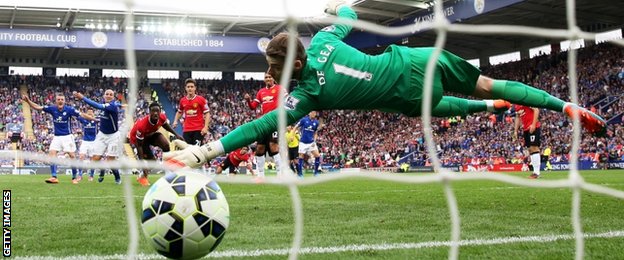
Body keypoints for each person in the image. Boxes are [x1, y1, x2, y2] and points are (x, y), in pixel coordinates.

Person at [163, 2, 606, 169]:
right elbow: (350, 18)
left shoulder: (303, 96)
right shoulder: (321, 40)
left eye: (272, 68)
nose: (270, 76)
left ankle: (490, 110)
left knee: (437, 107)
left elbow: (259, 129)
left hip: (406, 98)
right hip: (415, 61)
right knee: (489, 84)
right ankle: (559, 104)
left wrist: (204, 150)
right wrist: (339, 8)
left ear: (288, 66)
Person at [22, 93, 96, 184]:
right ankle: (54, 177)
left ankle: (74, 177)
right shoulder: (52, 109)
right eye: (58, 99)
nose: (60, 101)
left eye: (62, 99)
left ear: (64, 101)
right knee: (52, 154)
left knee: (72, 156)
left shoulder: (69, 110)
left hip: (67, 137)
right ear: (56, 101)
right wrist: (28, 101)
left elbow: (82, 115)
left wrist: (94, 119)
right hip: (56, 137)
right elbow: (38, 107)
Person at [73, 89, 123, 184]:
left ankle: (117, 177)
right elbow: (103, 106)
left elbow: (97, 106)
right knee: (95, 158)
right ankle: (102, 170)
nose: (108, 96)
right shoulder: (109, 105)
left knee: (110, 160)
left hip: (113, 136)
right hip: (102, 135)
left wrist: (83, 98)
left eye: (111, 94)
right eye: (107, 94)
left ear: (113, 97)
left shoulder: (111, 106)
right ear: (104, 96)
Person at [128, 102, 184, 186]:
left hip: (150, 135)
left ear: (160, 111)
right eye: (153, 111)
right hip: (139, 140)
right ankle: (142, 175)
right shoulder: (141, 126)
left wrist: (177, 135)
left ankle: (167, 171)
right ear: (149, 112)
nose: (155, 113)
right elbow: (139, 145)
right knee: (153, 163)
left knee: (166, 145)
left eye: (157, 111)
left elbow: (166, 126)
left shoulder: (162, 117)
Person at [244, 73, 283, 177]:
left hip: (274, 122)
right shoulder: (261, 92)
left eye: (270, 77)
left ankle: (280, 174)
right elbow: (253, 107)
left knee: (273, 146)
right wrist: (248, 100)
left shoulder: (280, 88)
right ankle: (261, 175)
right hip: (263, 122)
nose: (268, 79)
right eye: (266, 77)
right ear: (264, 80)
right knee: (260, 148)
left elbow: (288, 101)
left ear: (274, 78)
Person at [172, 78, 210, 146]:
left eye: (192, 87)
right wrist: (175, 121)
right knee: (187, 150)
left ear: (195, 88)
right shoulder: (182, 100)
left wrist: (206, 127)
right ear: (185, 88)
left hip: (198, 130)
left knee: (196, 150)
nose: (190, 88)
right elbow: (179, 112)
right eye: (188, 87)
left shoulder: (201, 99)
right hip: (187, 130)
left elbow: (207, 113)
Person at [513, 105, 541, 179]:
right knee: (530, 149)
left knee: (534, 147)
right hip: (525, 129)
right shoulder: (516, 105)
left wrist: (534, 124)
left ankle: (536, 172)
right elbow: (517, 117)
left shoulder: (526, 99)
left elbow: (536, 110)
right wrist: (515, 131)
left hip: (532, 126)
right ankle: (535, 172)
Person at [296, 111, 322, 177]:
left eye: (315, 113)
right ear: (309, 113)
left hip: (311, 143)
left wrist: (314, 141)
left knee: (317, 156)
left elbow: (315, 133)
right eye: (312, 113)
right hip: (303, 142)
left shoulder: (316, 122)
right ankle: (300, 174)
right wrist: (292, 135)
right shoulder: (304, 120)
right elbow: (296, 127)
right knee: (301, 157)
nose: (313, 114)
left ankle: (316, 173)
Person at [77, 108, 98, 181]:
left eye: (91, 113)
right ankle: (80, 175)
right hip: (85, 141)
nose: (89, 114)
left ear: (93, 114)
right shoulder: (84, 120)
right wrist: (81, 112)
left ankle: (91, 175)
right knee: (81, 157)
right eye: (88, 113)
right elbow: (78, 116)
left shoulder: (95, 121)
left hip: (93, 142)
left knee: (92, 159)